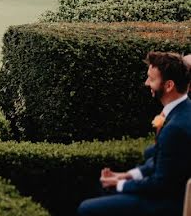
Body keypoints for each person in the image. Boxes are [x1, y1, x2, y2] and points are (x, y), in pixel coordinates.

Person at [78, 51, 191, 216]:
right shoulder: (184, 108)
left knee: (86, 208)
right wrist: (124, 176)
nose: (146, 83)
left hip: (169, 204)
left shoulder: (175, 128)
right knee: (103, 188)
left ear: (169, 85)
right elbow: (165, 163)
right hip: (168, 193)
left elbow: (160, 184)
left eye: (152, 79)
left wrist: (121, 184)